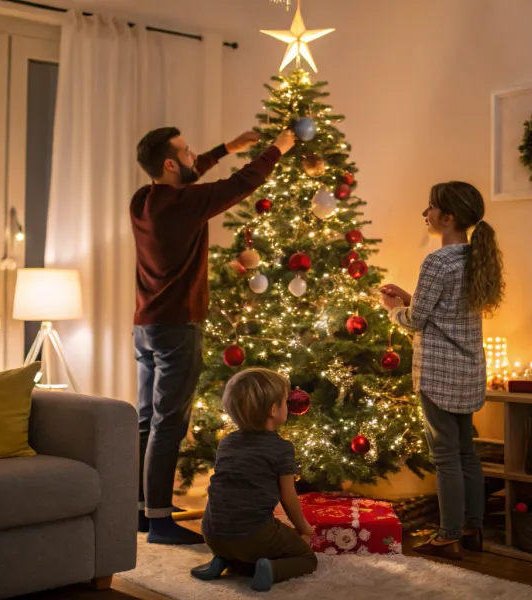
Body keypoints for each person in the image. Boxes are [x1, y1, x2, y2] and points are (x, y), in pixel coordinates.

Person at [131, 127, 297, 545]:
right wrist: (276, 149)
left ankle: (140, 512)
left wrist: (226, 148)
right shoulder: (186, 205)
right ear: (170, 164)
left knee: (148, 421)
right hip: (176, 328)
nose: (193, 157)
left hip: (145, 326)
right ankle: (161, 523)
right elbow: (243, 184)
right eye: (186, 153)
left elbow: (191, 172)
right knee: (169, 424)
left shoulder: (144, 200)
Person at [379, 181, 504, 559]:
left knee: (445, 457)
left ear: (447, 217)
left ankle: (447, 534)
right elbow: (447, 312)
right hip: (467, 371)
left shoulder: (437, 261)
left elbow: (418, 321)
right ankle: (472, 529)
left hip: (437, 373)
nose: (425, 214)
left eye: (430, 208)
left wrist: (393, 310)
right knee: (466, 452)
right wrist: (410, 297)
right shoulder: (475, 257)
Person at [191, 368, 317, 592]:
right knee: (306, 558)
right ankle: (271, 569)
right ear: (273, 410)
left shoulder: (227, 442)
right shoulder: (281, 449)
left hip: (212, 533)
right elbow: (288, 497)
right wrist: (305, 528)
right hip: (252, 536)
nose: (288, 406)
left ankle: (224, 560)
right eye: (284, 402)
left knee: (240, 542)